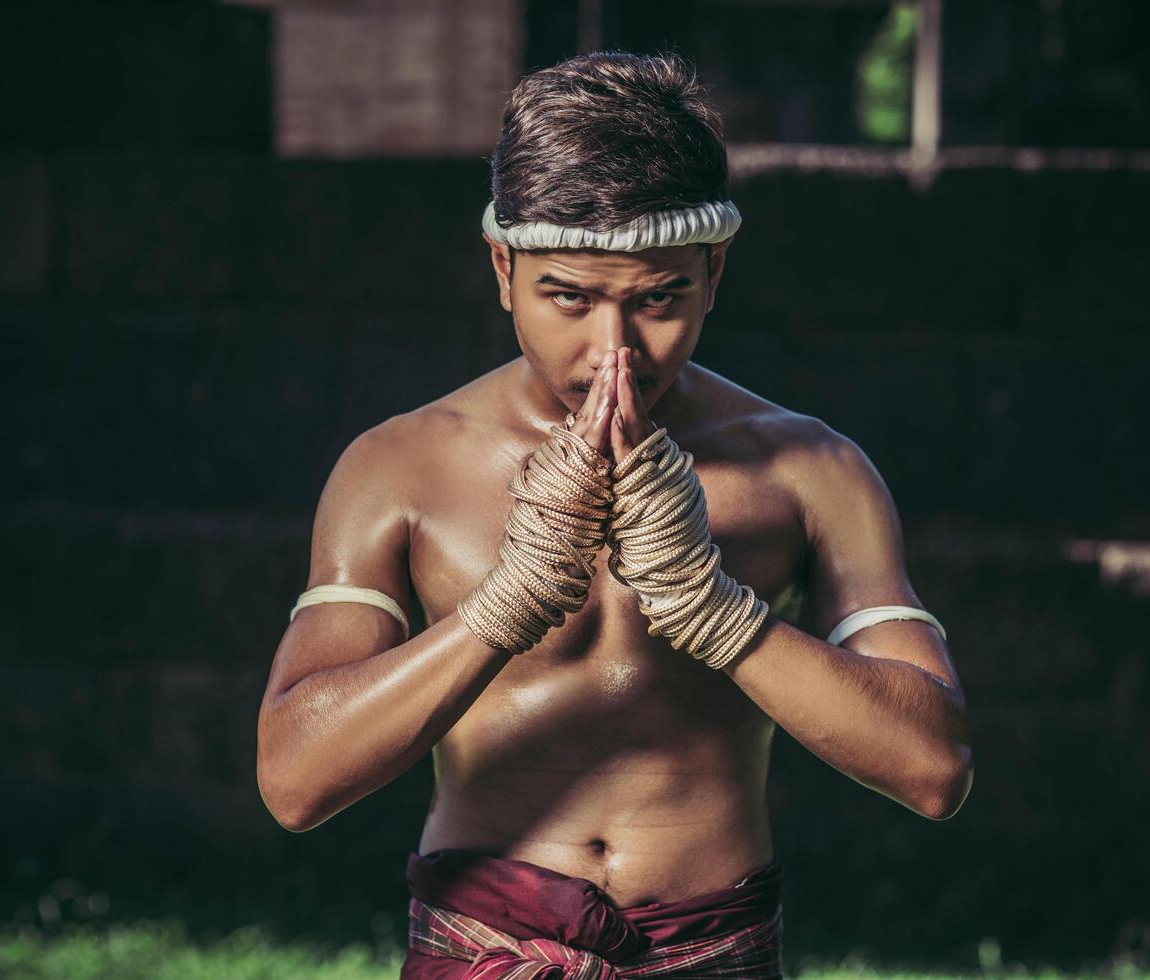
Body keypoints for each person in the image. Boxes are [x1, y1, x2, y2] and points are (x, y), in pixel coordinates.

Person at [257, 50, 973, 979]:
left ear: (714, 270)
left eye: (658, 299)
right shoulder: (401, 467)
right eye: (569, 297)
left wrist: (712, 608)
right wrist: (503, 604)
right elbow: (293, 781)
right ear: (503, 266)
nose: (614, 352)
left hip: (714, 950)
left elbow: (933, 769)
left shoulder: (807, 468)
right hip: (481, 950)